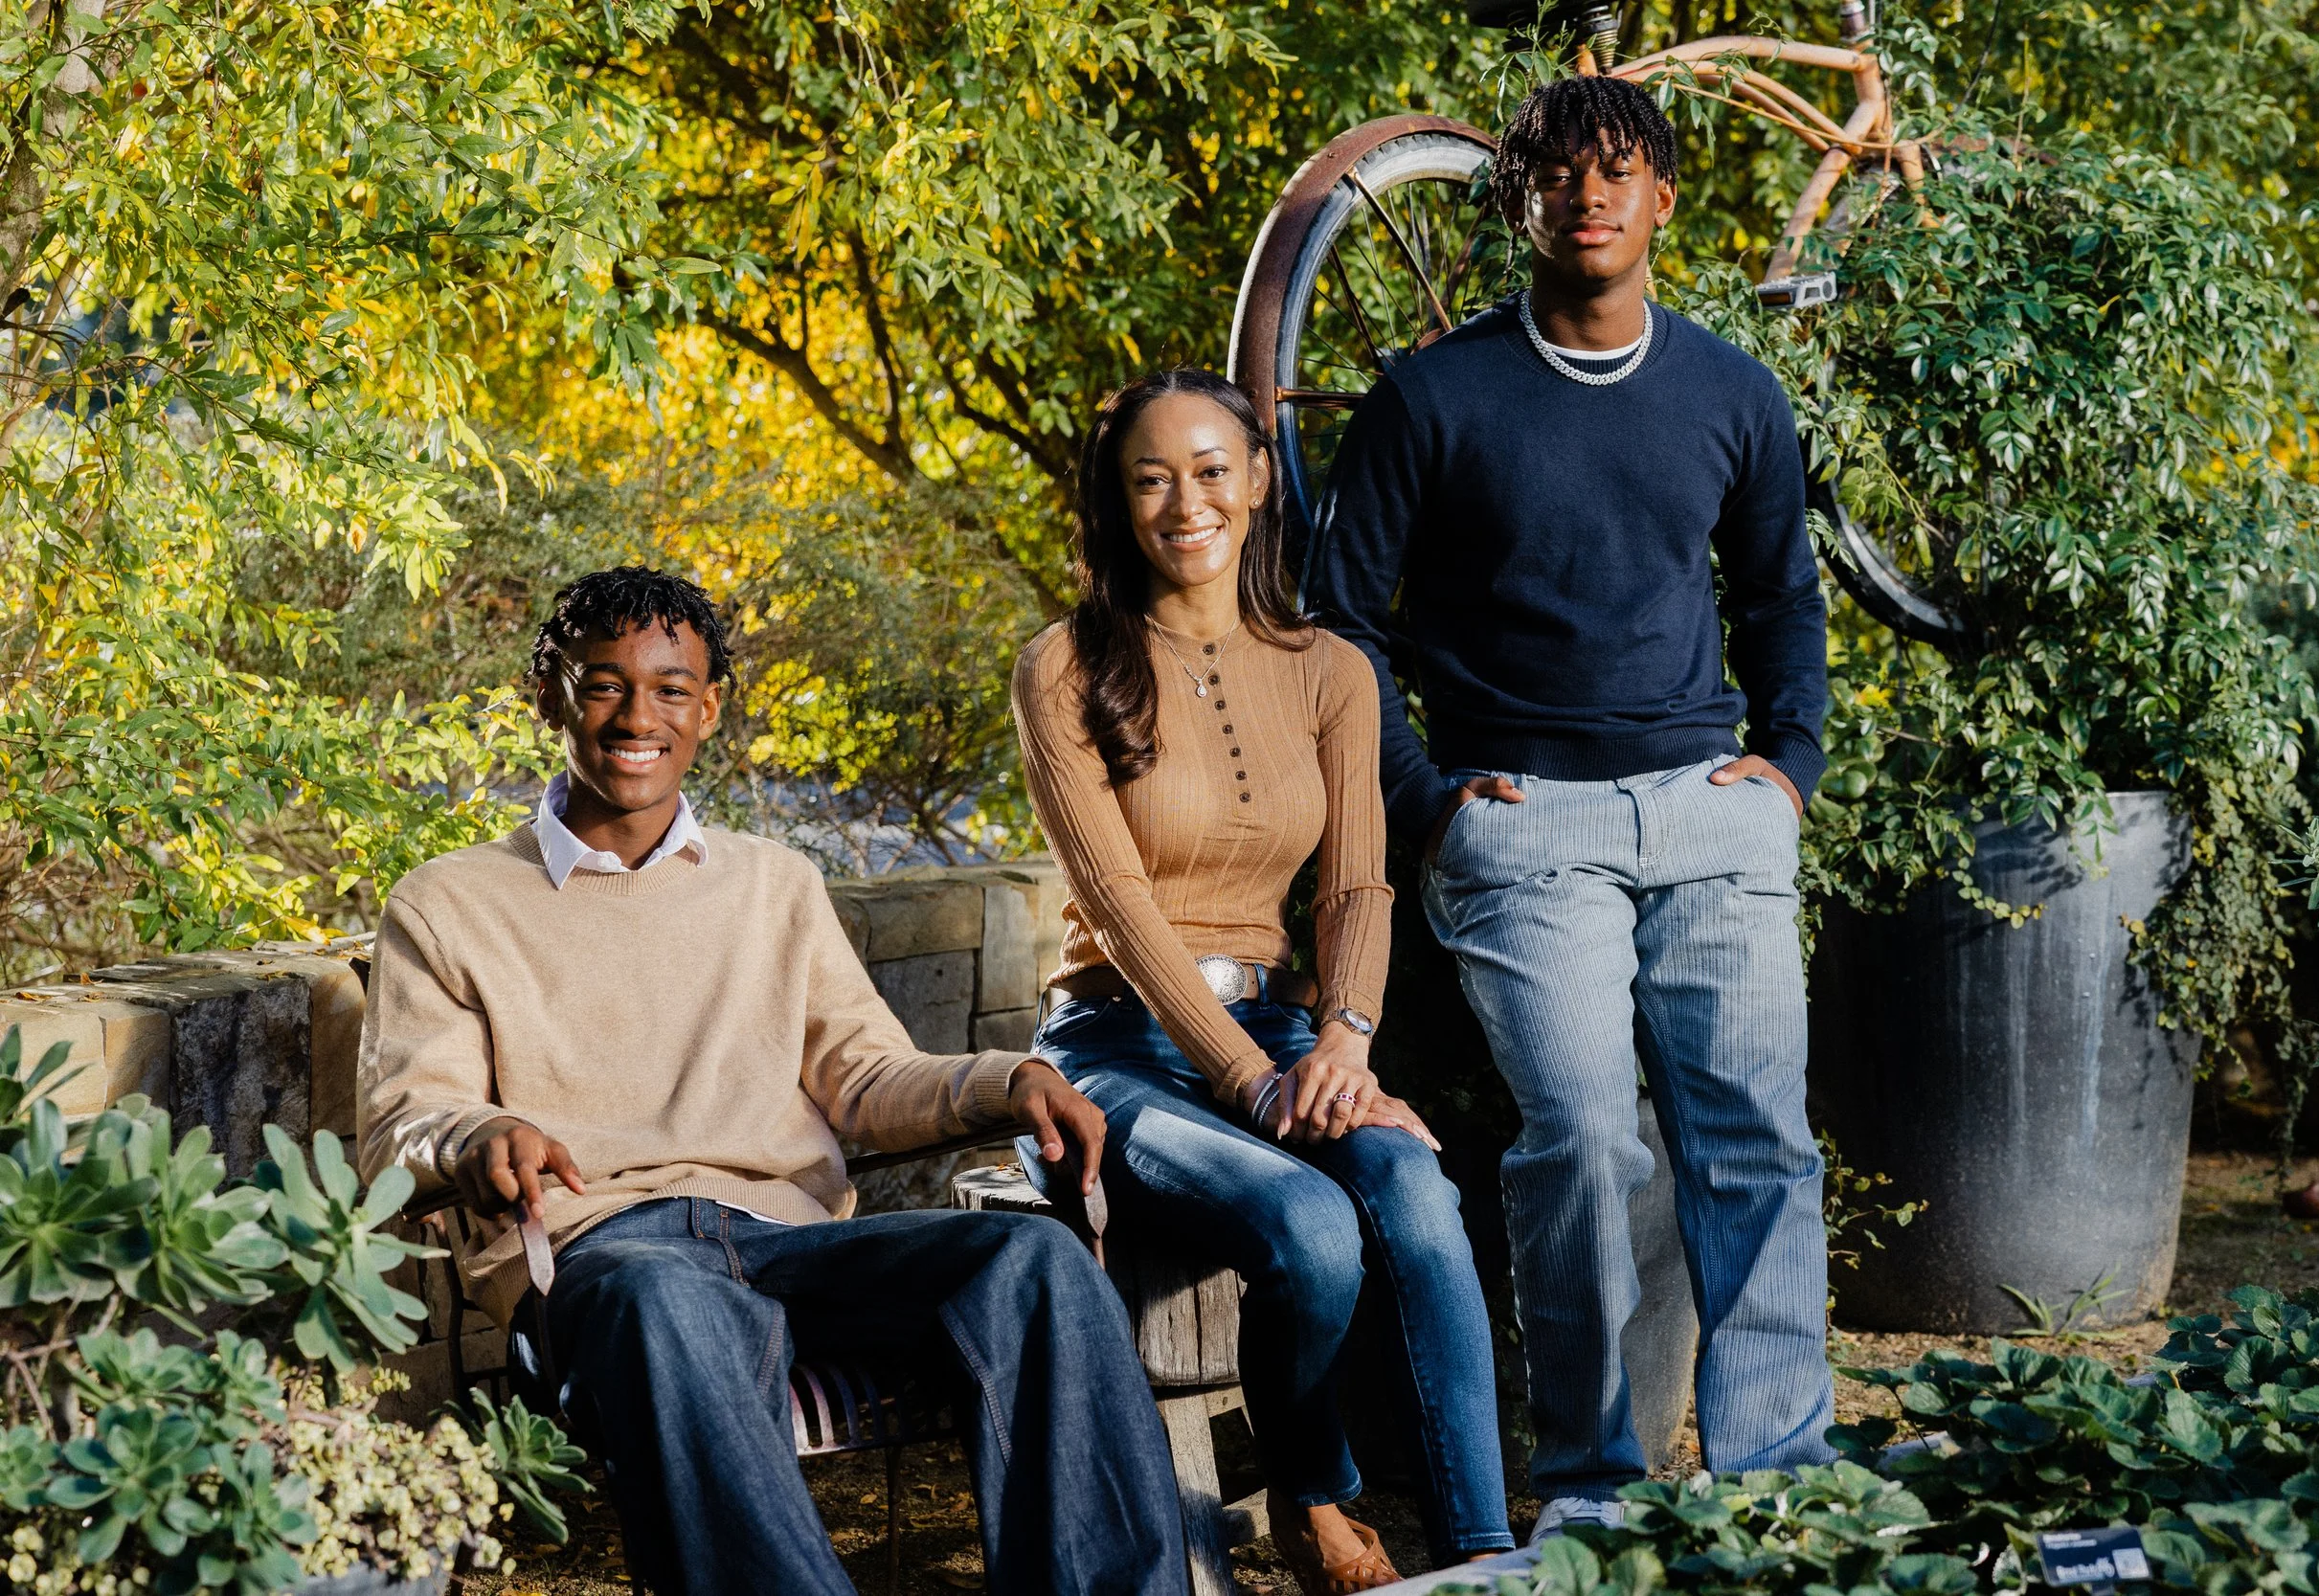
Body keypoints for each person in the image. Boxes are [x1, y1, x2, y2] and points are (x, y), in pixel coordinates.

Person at [357, 568, 1187, 1596]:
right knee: (669, 1298)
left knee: (1034, 1259)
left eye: (670, 688)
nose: (636, 715)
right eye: (603, 683)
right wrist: (476, 1138)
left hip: (793, 1246)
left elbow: (865, 1073)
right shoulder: (449, 903)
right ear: (549, 695)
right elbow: (403, 1121)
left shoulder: (772, 882)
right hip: (608, 1258)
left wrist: (1008, 1078)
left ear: (708, 708)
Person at [1308, 74, 1836, 1532]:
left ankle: (1783, 1480)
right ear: (1520, 202)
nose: (1588, 195)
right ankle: (1596, 1487)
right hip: (1522, 822)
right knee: (1589, 1139)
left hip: (1711, 807)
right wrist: (1425, 799)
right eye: (1558, 175)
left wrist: (1787, 765)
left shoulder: (1732, 389)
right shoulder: (1434, 396)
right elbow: (1337, 625)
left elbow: (1784, 595)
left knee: (1756, 1138)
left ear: (1664, 200)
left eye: (1619, 173)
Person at [1011, 369, 1513, 1590]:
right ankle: (1316, 1490)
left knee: (1413, 1187)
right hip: (1116, 1050)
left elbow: (1356, 889)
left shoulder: (1333, 670)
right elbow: (1122, 911)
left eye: (1211, 468)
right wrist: (1248, 1080)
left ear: (1257, 481)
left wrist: (1341, 1048)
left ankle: (1484, 1555)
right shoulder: (1064, 668)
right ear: (1117, 505)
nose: (1187, 500)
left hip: (1284, 1029)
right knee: (1307, 1220)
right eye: (1151, 477)